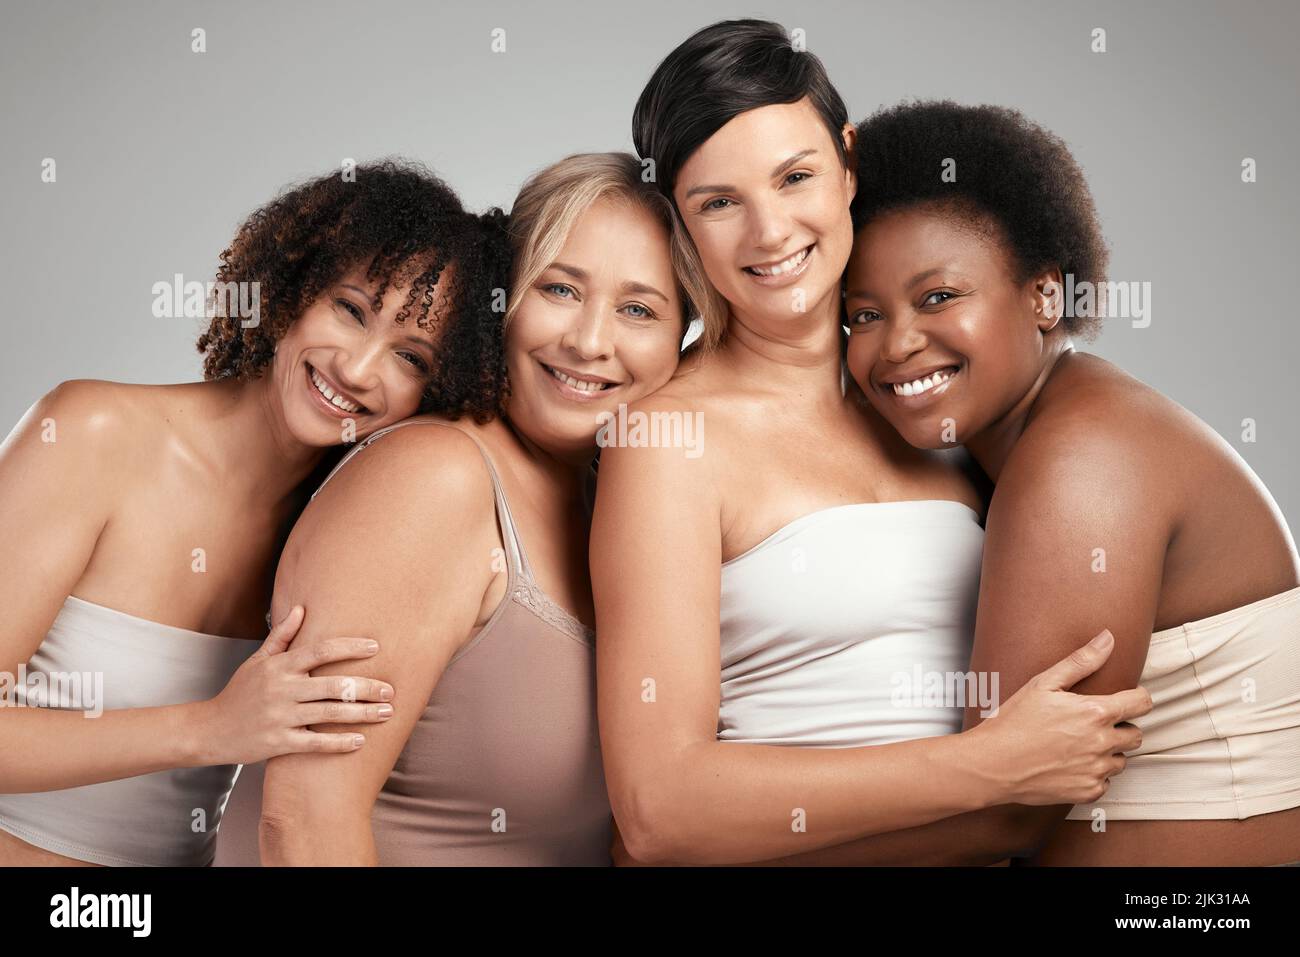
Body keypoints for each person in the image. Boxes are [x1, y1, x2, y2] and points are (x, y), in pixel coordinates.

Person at [592, 18, 1150, 867]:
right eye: (719, 202)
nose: (770, 232)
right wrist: (986, 768)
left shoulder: (933, 406)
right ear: (681, 224)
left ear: (847, 163)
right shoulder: (669, 442)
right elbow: (658, 808)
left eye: (795, 177)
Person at [0, 160, 503, 866]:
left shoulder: (345, 533)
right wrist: (212, 727)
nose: (358, 368)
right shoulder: (92, 430)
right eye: (351, 310)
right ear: (291, 289)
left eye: (411, 357)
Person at [840, 100, 1300, 866]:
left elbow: (1006, 812)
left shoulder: (1083, 461)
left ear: (1044, 294)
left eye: (939, 296)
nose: (899, 343)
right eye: (861, 315)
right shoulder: (1035, 433)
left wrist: (713, 847)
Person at [252, 152, 705, 864]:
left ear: (683, 340)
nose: (589, 341)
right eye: (559, 288)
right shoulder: (434, 478)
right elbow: (302, 825)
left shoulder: (617, 506)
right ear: (501, 297)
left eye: (638, 309)